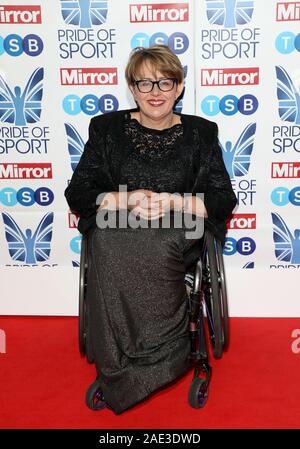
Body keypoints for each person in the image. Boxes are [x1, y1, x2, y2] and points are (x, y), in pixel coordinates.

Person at [65, 45, 237, 414]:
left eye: (165, 82)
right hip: (120, 221)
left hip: (180, 224)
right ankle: (118, 367)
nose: (155, 92)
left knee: (153, 246)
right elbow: (78, 192)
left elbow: (223, 199)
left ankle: (168, 356)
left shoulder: (201, 133)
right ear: (132, 87)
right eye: (145, 83)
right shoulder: (106, 129)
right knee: (107, 241)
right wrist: (124, 199)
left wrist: (174, 201)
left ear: (179, 88)